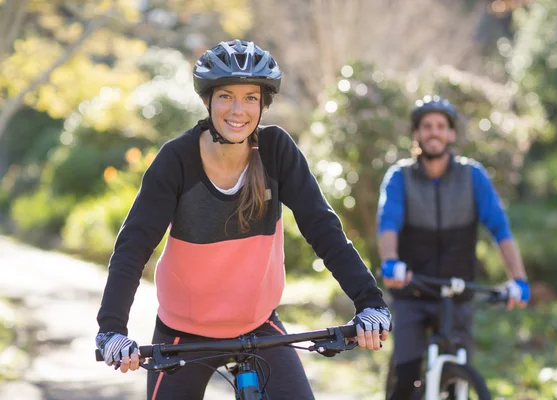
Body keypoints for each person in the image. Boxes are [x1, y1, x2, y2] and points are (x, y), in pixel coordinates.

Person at [94, 39, 391, 400]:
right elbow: (133, 246)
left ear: (263, 104)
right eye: (226, 96)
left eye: (251, 97)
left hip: (257, 325)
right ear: (208, 100)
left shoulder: (276, 152)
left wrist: (370, 302)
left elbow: (322, 228)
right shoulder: (177, 160)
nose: (239, 110)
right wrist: (112, 329)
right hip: (182, 331)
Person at [377, 96, 530, 400]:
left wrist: (519, 280)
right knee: (405, 378)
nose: (434, 132)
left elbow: (500, 228)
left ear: (452, 134)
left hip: (458, 292)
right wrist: (391, 262)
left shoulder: (472, 176)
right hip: (413, 290)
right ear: (417, 134)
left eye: (441, 126)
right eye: (427, 126)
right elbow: (388, 225)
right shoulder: (400, 177)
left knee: (459, 376)